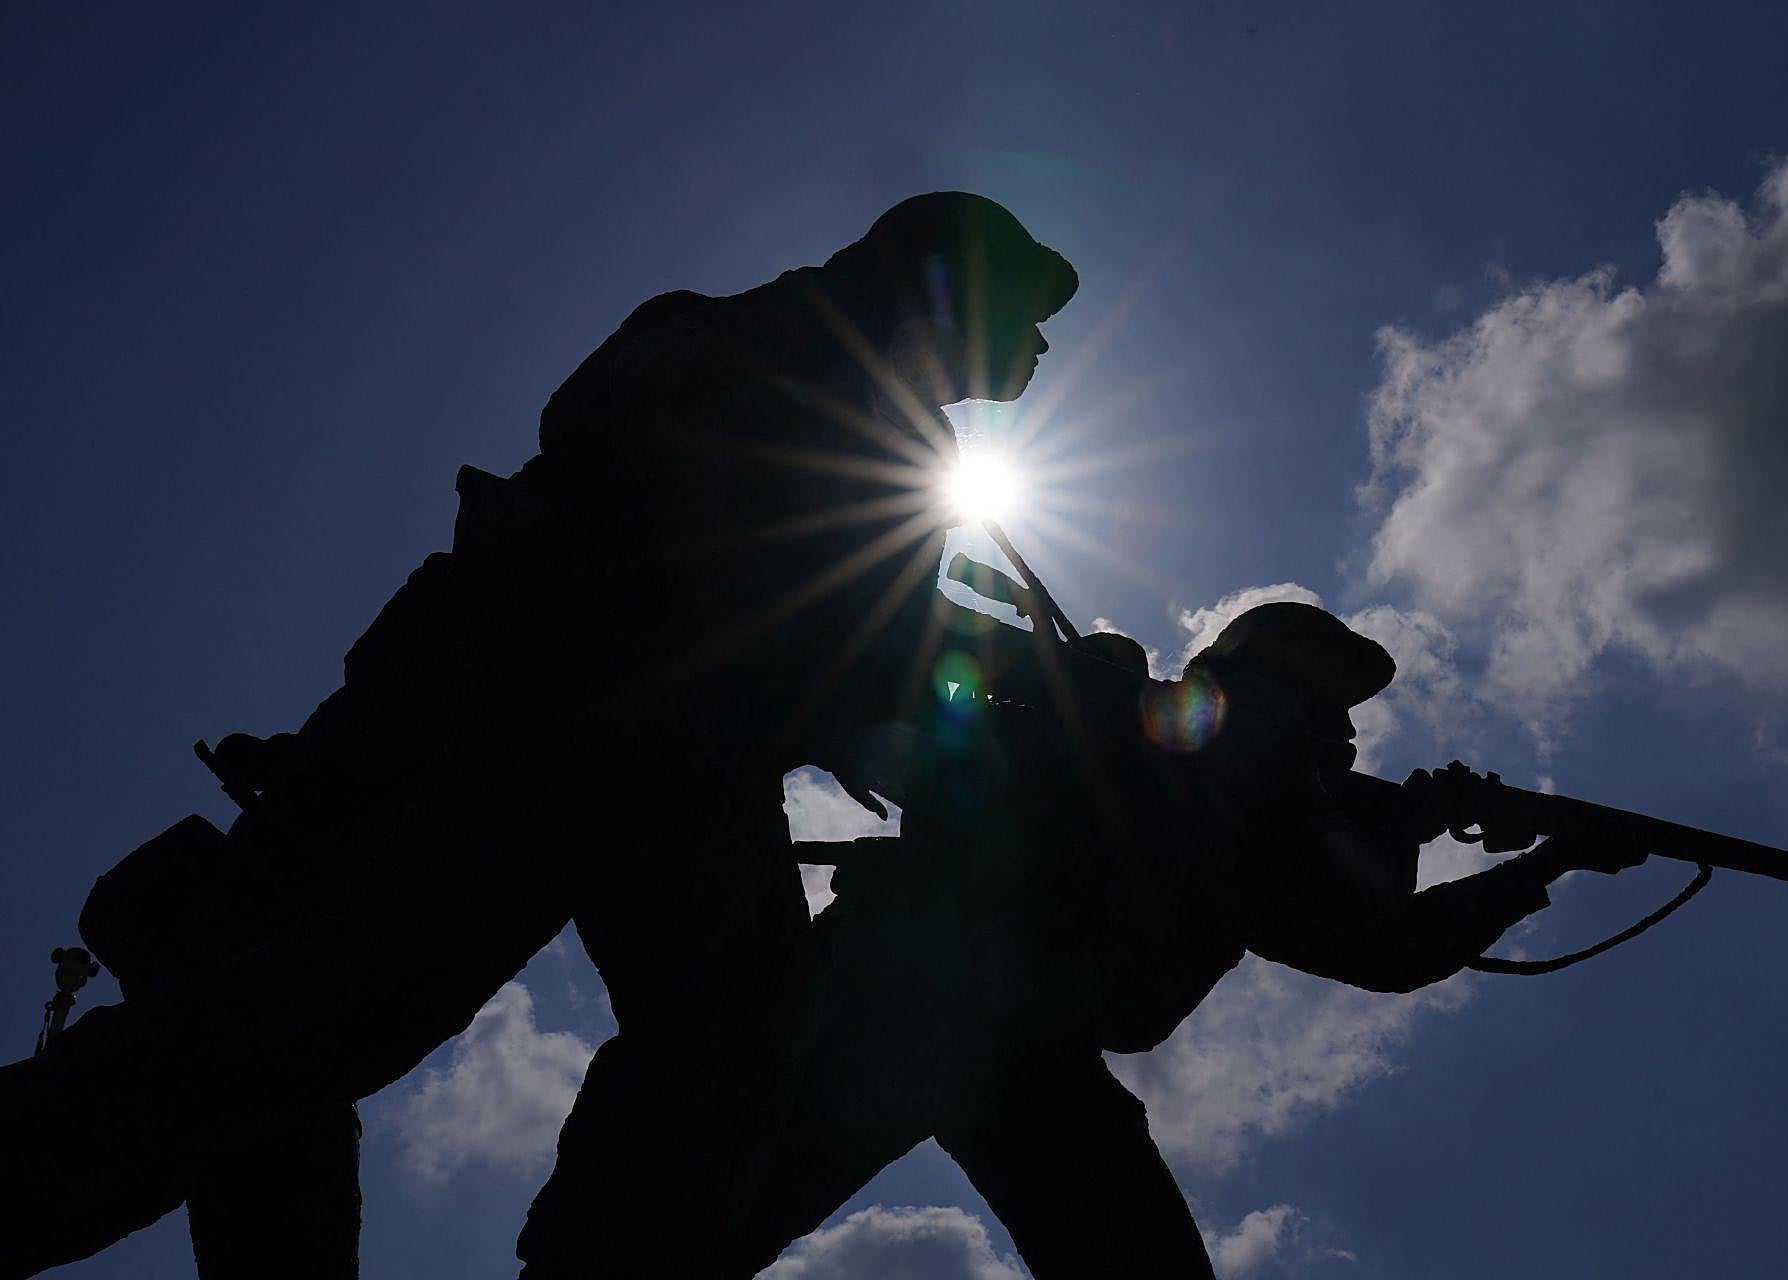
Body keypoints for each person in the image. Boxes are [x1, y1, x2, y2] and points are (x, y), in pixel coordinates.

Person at [0, 192, 1078, 1280]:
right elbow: (710, 530)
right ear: (946, 289)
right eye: (1025, 308)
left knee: (361, 998)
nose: (1037, 343)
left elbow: (847, 634)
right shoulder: (798, 363)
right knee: (726, 1029)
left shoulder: (845, 394)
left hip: (560, 706)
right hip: (634, 711)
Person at [732, 602, 1645, 1278]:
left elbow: (1351, 912)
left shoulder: (1187, 745)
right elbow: (1376, 936)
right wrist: (1514, 858)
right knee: (686, 1217)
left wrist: (1460, 837)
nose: (1344, 734)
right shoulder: (1214, 756)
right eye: (1324, 706)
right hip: (918, 1001)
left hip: (1006, 1035)